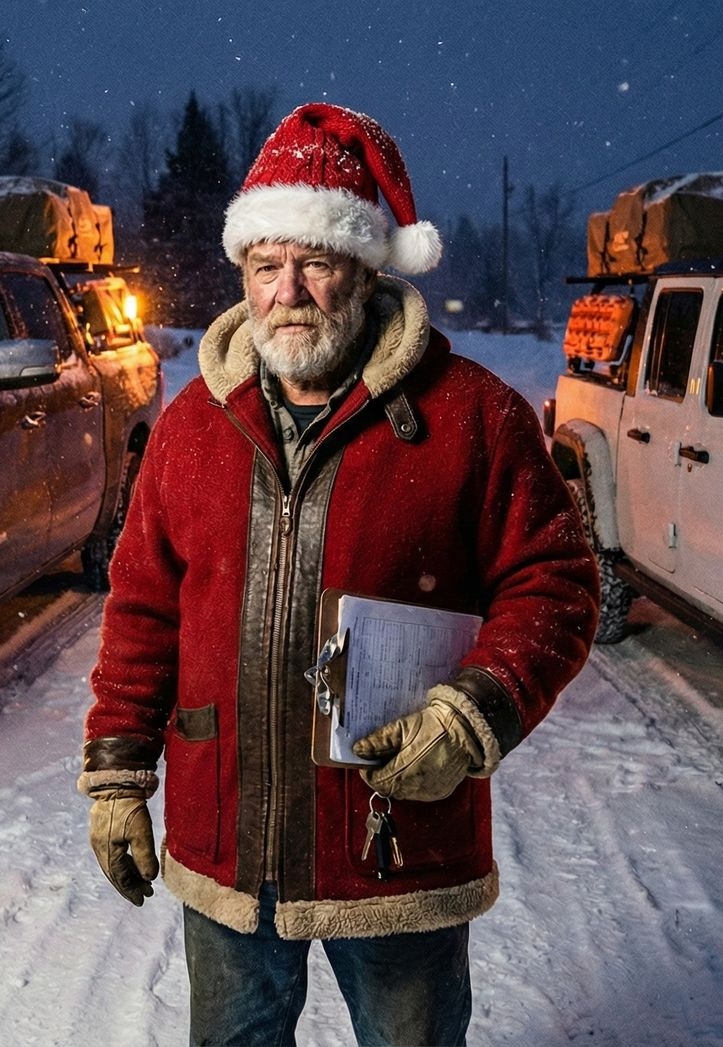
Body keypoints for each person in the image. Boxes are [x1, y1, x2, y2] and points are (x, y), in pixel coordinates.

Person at [78, 102, 601, 1045]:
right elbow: (143, 608)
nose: (289, 291)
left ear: (363, 269)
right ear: (242, 272)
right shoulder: (196, 425)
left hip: (394, 842)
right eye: (265, 265)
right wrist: (118, 776)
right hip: (228, 839)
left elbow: (556, 583)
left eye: (315, 262)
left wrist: (472, 712)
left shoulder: (472, 418)